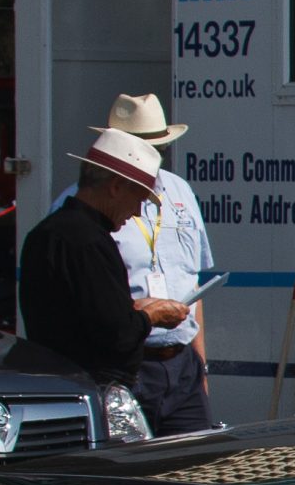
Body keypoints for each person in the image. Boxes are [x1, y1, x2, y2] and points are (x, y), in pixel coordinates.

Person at [53, 95, 216, 435]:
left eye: (158, 147)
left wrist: (201, 365)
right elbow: (78, 302)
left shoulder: (180, 192)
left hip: (181, 362)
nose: (149, 156)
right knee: (130, 471)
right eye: (140, 147)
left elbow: (193, 284)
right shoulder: (82, 208)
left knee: (193, 467)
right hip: (125, 365)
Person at [20, 129, 186, 394]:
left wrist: (130, 309)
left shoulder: (47, 232)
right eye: (138, 200)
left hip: (61, 380)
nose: (135, 213)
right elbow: (116, 334)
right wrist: (150, 315)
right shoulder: (88, 242)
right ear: (116, 187)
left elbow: (83, 311)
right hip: (96, 386)